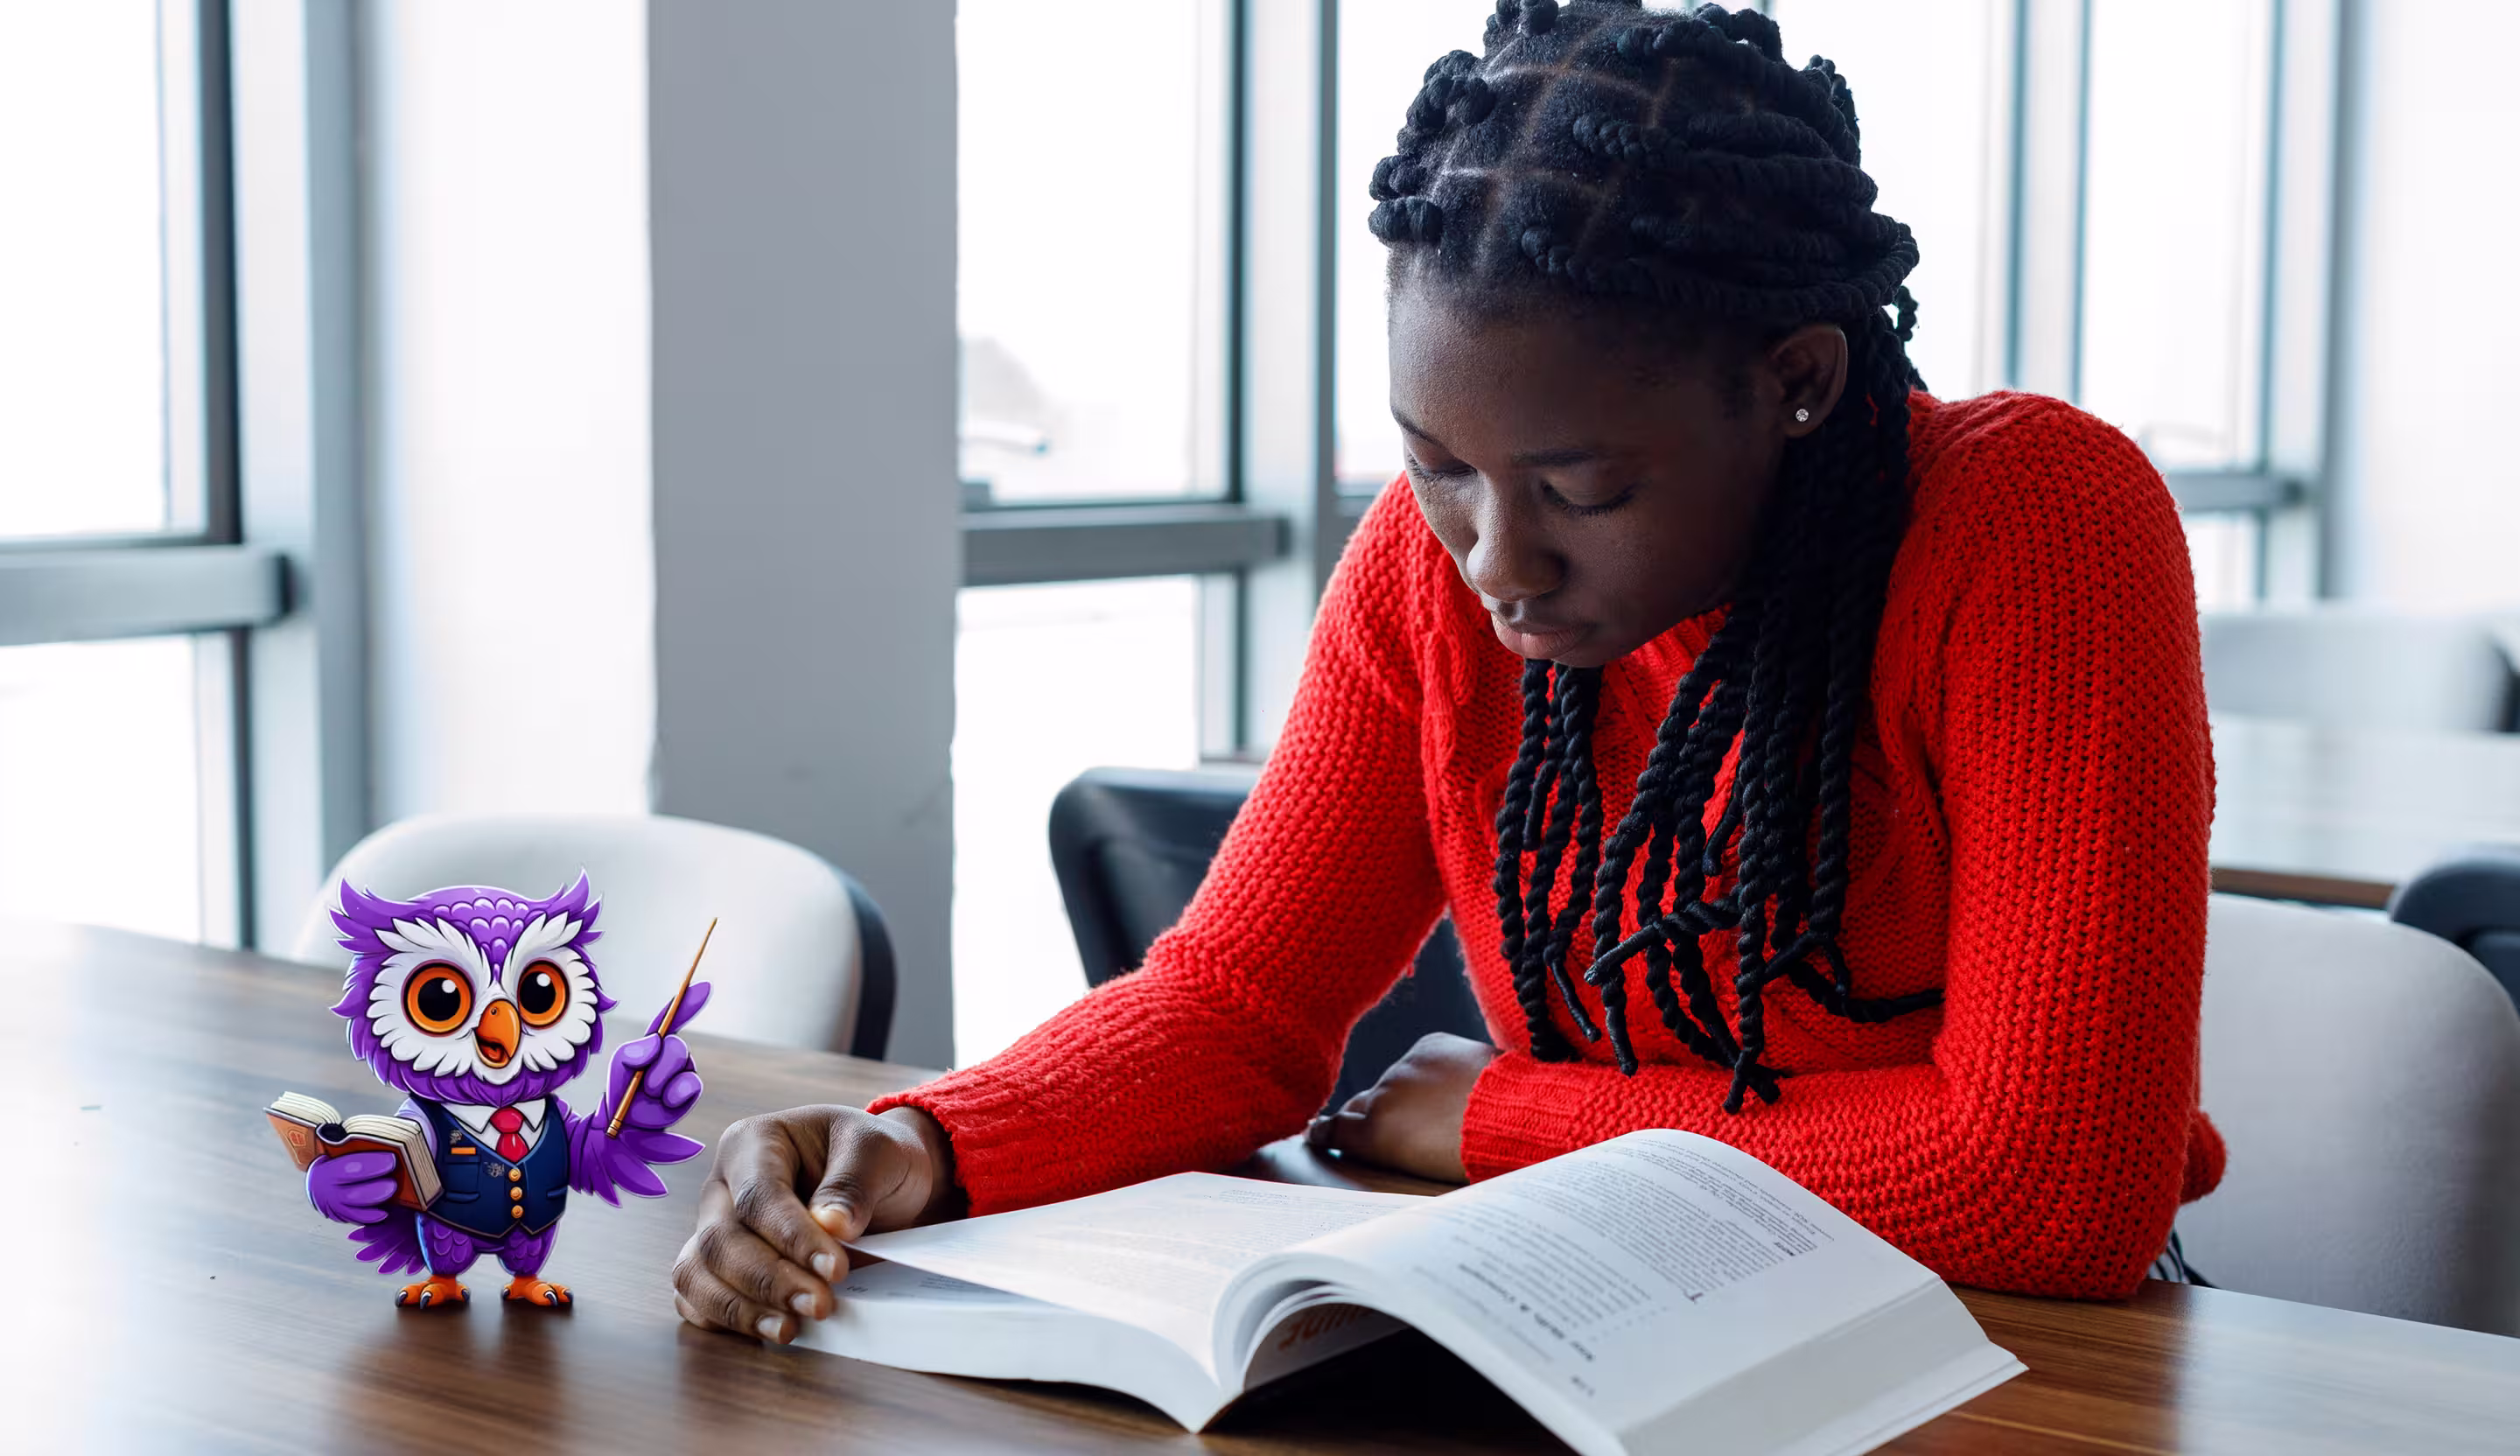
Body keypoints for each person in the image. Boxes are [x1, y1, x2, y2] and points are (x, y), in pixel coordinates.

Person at [672, 0, 2222, 1346]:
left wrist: (1497, 1118)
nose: (1493, 558)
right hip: (1608, 1314)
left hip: (2004, 1358)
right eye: (1436, 468)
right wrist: (927, 1141)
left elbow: (2048, 1187)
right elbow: (1238, 1002)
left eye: (1582, 491)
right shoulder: (1434, 571)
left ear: (1797, 382)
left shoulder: (2033, 521)